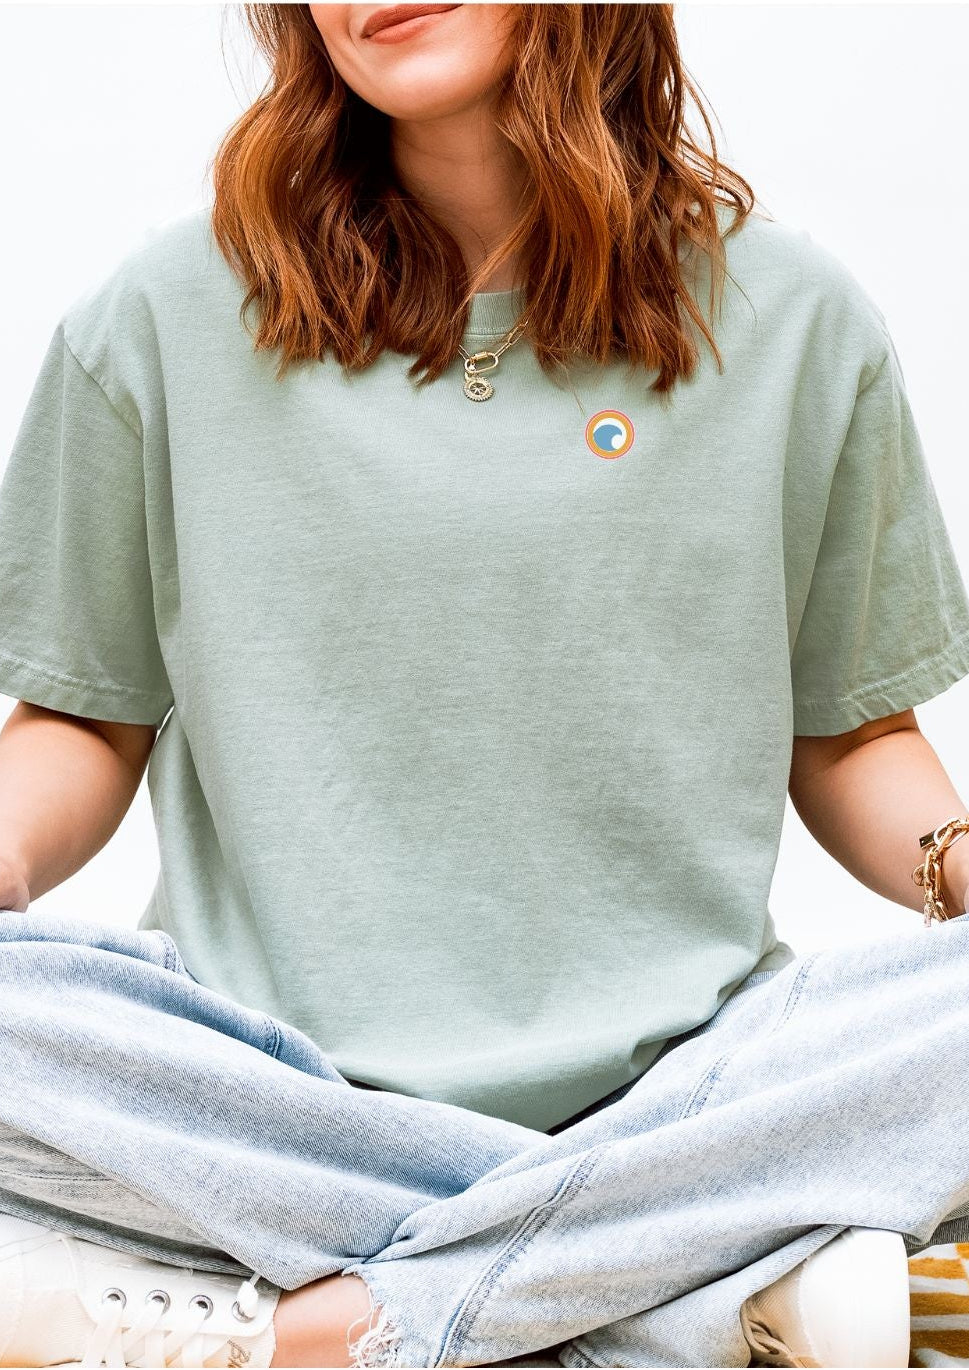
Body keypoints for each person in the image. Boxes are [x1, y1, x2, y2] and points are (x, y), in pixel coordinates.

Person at [1, 3, 968, 1367]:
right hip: (262, 1105)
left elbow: (853, 731)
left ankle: (335, 1323)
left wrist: (958, 859)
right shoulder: (155, 319)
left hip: (683, 1087)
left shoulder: (798, 324)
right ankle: (686, 1285)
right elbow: (83, 716)